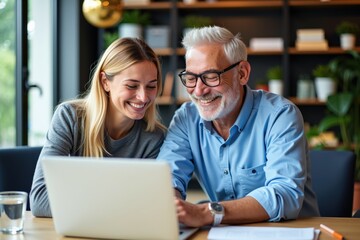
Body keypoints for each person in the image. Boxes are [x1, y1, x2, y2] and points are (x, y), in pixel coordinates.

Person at [156, 26, 320, 227]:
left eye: (210, 76)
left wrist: (206, 212)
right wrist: (170, 205)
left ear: (242, 73)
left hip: (289, 232)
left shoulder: (280, 115)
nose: (198, 90)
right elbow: (166, 177)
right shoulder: (186, 118)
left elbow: (285, 194)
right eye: (191, 78)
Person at [30, 38, 166, 217]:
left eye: (151, 86)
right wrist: (116, 208)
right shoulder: (70, 117)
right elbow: (40, 200)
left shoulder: (155, 138)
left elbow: (147, 206)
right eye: (132, 85)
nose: (143, 97)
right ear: (105, 82)